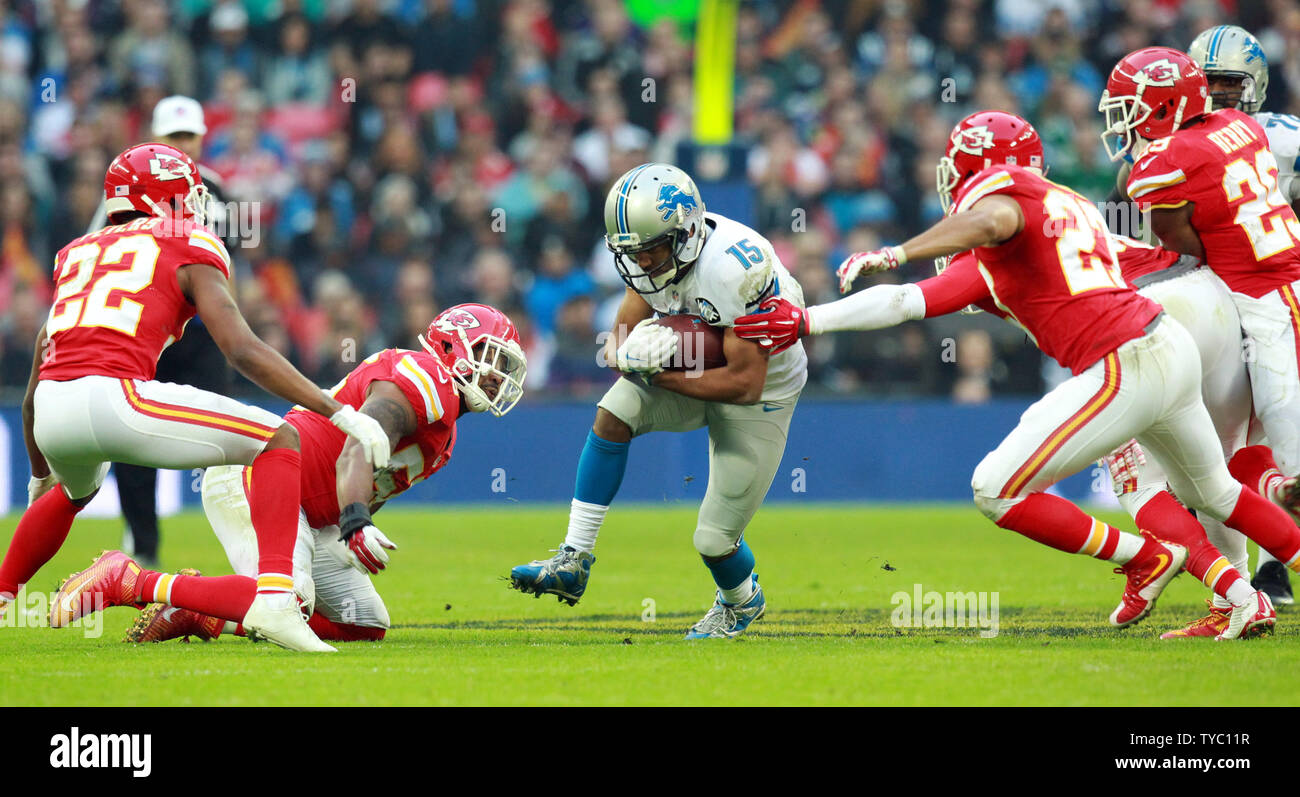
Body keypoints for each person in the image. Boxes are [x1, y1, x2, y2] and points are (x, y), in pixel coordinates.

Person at [735, 110, 1299, 639]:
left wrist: (893, 254)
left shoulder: (1002, 204)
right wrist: (812, 319)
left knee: (996, 488)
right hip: (1172, 335)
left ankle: (1144, 556)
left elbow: (965, 245)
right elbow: (917, 298)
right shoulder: (1065, 203)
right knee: (1218, 490)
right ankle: (1243, 597)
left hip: (1133, 352)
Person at [0, 143, 391, 652]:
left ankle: (5, 594)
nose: (196, 206)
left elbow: (34, 384)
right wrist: (337, 409)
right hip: (115, 397)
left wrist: (37, 472)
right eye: (187, 195)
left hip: (54, 406)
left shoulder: (77, 251)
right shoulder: (185, 239)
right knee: (278, 438)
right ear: (164, 197)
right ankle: (275, 601)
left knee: (72, 492)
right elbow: (243, 349)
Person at [64, 305, 526, 645]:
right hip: (260, 477)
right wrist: (356, 520)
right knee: (290, 601)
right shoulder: (425, 380)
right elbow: (355, 450)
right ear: (454, 347)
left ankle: (201, 613)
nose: (497, 375)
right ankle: (130, 580)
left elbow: (363, 467)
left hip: (310, 509)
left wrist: (349, 520)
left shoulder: (444, 432)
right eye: (492, 357)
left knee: (362, 623)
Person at [508, 163, 808, 639]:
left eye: (651, 251)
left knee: (713, 541)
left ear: (684, 233)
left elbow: (744, 384)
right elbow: (618, 339)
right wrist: (624, 354)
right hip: (695, 369)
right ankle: (574, 558)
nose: (642, 263)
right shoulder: (657, 253)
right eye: (633, 253)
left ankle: (741, 603)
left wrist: (661, 373)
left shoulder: (734, 269)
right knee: (614, 412)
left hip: (762, 393)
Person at [87, 95, 234, 569]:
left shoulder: (215, 190)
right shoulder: (127, 191)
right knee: (133, 445)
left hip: (197, 331)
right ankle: (144, 547)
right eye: (173, 138)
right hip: (144, 333)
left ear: (200, 138)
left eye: (188, 136)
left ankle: (246, 545)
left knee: (227, 438)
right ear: (156, 139)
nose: (182, 145)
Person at [1185, 25, 1300, 606]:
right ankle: (1240, 579)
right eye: (1207, 85)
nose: (1217, 96)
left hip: (1273, 295)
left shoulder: (1282, 137)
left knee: (1284, 438)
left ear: (1253, 85)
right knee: (1222, 447)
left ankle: (1272, 569)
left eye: (1228, 85)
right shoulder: (1177, 142)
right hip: (1215, 305)